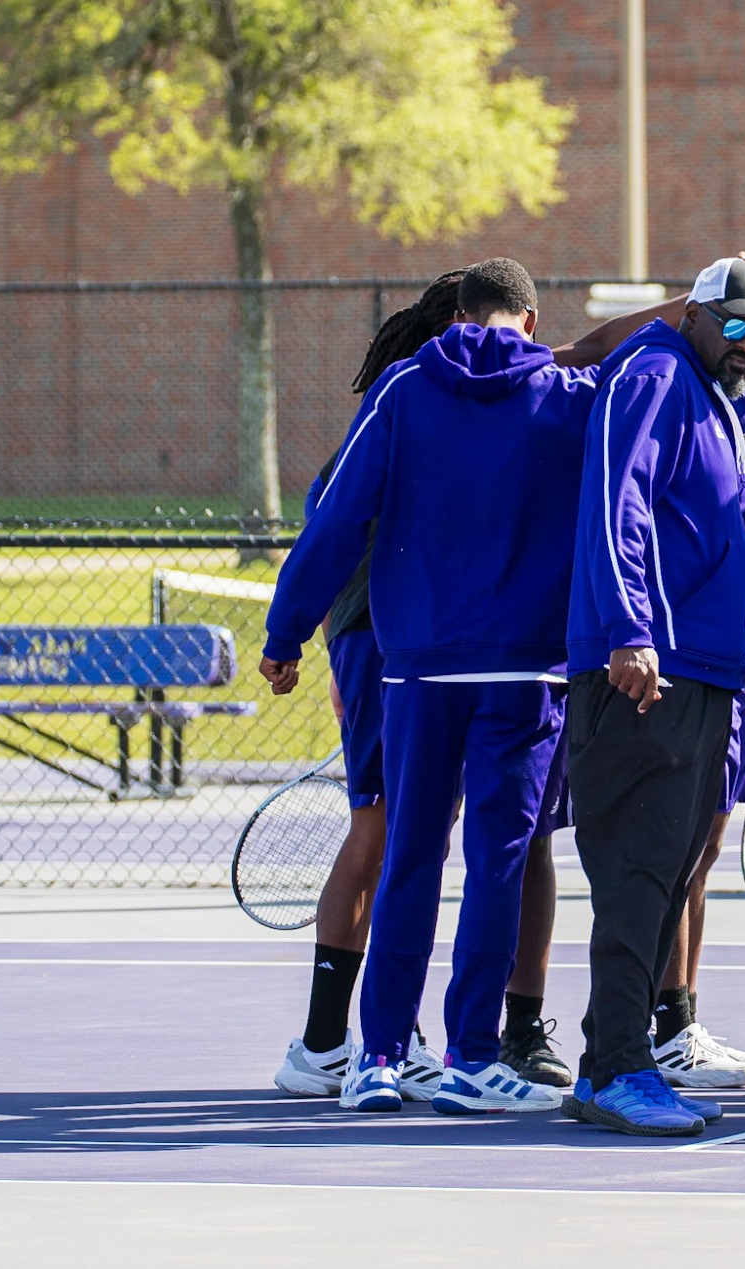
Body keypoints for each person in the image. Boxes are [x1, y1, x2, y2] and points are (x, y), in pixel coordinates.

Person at [262, 258, 601, 1117]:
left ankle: (376, 1055)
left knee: (411, 855)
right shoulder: (567, 396)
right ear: (529, 319)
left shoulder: (405, 390)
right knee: (497, 864)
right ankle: (471, 1057)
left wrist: (284, 630)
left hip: (415, 668)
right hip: (523, 672)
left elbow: (337, 516)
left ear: (460, 316)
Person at [564, 258, 745, 1138]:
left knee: (668, 868)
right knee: (639, 870)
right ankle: (614, 1068)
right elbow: (618, 504)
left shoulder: (713, 386)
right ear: (694, 312)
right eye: (736, 327)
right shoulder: (651, 372)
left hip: (704, 669)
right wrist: (629, 630)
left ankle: (620, 1058)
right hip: (650, 668)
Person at [272, 270, 465, 1103]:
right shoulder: (406, 409)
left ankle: (344, 1038)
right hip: (384, 650)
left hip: (391, 649)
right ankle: (346, 1040)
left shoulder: (421, 409)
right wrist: (316, 644)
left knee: (396, 836)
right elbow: (329, 528)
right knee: (388, 835)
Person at [647, 440, 745, 1092]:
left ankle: (682, 1023)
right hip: (699, 659)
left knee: (705, 853)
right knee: (683, 851)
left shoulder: (744, 432)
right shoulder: (687, 422)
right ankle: (669, 1027)